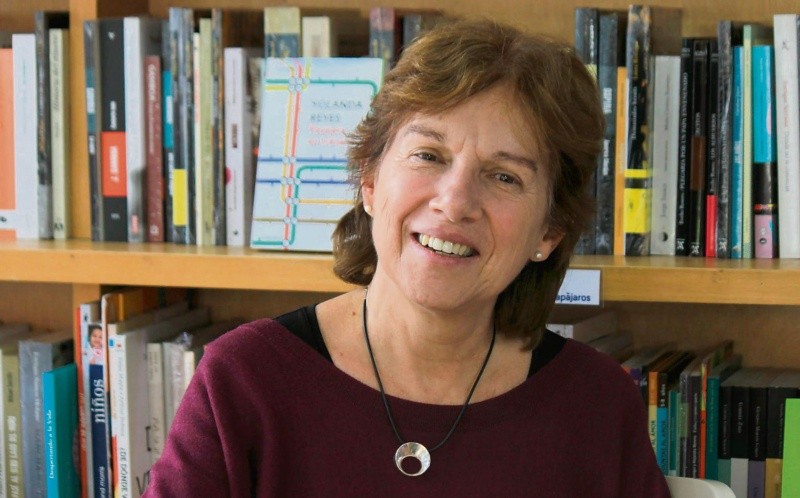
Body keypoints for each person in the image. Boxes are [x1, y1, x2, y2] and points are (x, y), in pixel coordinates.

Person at [145, 18, 669, 496]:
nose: (455, 202)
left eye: (504, 176)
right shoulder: (244, 380)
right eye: (428, 155)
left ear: (550, 231)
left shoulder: (597, 405)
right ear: (370, 182)